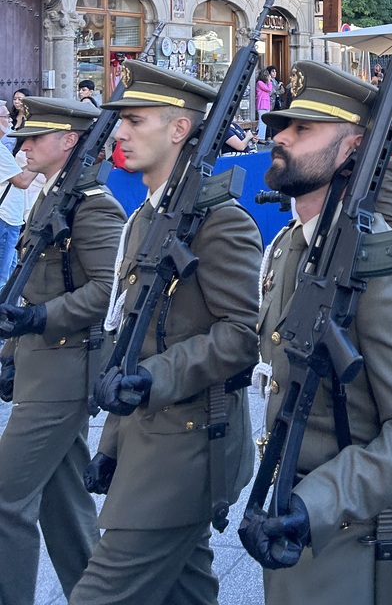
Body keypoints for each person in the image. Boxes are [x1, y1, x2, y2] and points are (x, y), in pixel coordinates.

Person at [251, 63, 392, 603]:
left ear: (352, 149)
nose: (279, 137)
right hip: (300, 516)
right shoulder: (291, 245)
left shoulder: (381, 270)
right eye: (282, 124)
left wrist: (314, 502)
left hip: (362, 537)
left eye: (302, 129)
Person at [71, 63, 261, 605]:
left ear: (179, 129)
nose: (120, 134)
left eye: (134, 121)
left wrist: (150, 379)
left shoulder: (219, 221)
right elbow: (131, 338)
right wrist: (111, 442)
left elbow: (242, 334)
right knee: (187, 592)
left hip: (186, 446)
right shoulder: (149, 218)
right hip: (147, 439)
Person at [0, 98, 125, 605]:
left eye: (34, 138)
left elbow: (108, 289)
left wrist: (40, 320)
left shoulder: (93, 206)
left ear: (69, 141)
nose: (23, 146)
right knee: (62, 501)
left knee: (5, 500)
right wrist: (10, 353)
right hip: (40, 365)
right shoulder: (53, 198)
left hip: (64, 369)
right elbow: (31, 287)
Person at [0, 100, 37, 288]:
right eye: (5, 117)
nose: (10, 120)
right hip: (5, 218)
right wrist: (41, 162)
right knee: (2, 277)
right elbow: (22, 181)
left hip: (9, 219)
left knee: (11, 275)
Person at [256, 67, 273, 142]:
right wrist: (269, 81)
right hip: (262, 104)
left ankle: (261, 136)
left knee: (264, 122)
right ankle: (260, 138)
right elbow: (269, 89)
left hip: (266, 104)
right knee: (262, 122)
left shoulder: (264, 83)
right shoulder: (259, 83)